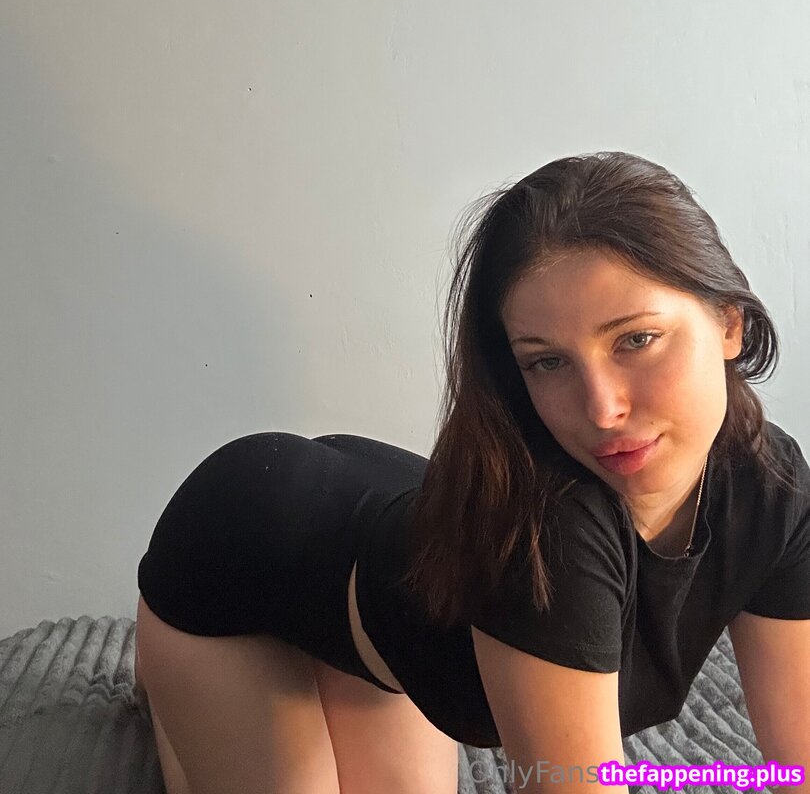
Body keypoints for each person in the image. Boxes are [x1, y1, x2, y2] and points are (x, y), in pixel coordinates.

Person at [134, 150, 810, 794]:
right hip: (236, 550)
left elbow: (795, 768)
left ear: (730, 323)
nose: (603, 410)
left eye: (636, 339)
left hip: (370, 577)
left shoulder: (773, 487)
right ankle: (161, 676)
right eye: (547, 361)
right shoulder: (549, 532)